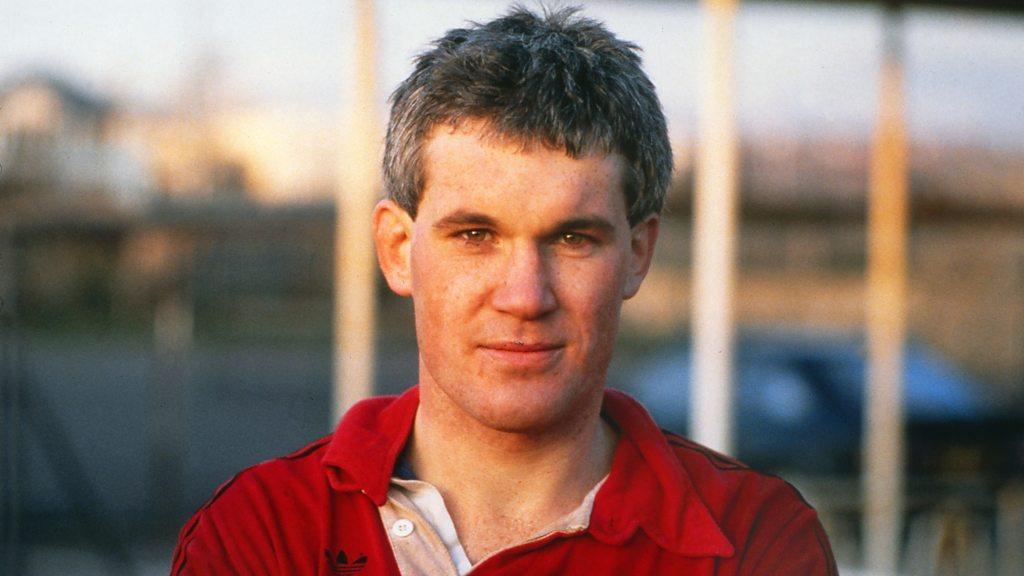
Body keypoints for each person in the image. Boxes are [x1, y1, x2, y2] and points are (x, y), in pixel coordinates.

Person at [172, 6, 837, 575]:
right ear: (399, 251)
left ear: (638, 255)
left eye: (573, 239)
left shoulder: (756, 542)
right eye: (474, 236)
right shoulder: (259, 537)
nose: (524, 296)